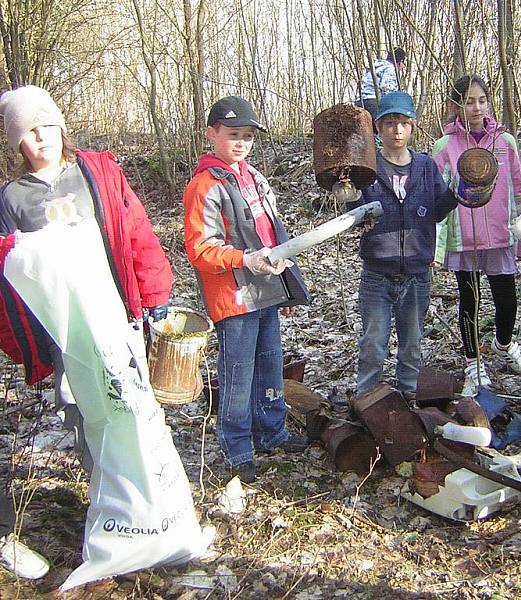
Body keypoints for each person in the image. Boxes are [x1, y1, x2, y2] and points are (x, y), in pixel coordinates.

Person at [0, 85, 174, 578]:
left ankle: (152, 500)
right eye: (29, 132)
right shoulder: (12, 200)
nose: (42, 137)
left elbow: (135, 231)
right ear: (17, 144)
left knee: (136, 410)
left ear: (61, 125)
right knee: (87, 419)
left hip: (119, 321)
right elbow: (12, 286)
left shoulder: (96, 173)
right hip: (66, 339)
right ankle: (115, 509)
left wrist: (155, 295)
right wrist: (26, 348)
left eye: (47, 125)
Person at [184, 96, 310, 485]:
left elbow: (277, 235)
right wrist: (244, 259)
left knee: (271, 362)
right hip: (233, 296)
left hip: (267, 289)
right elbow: (200, 248)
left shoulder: (255, 178)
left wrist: (287, 282)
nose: (240, 142)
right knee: (238, 373)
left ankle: (272, 432)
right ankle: (238, 447)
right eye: (232, 134)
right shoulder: (204, 185)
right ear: (212, 134)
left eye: (248, 136)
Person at [341, 91, 456, 396]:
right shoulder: (367, 169)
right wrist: (348, 192)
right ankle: (367, 399)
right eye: (390, 123)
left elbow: (439, 208)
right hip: (377, 272)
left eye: (403, 123)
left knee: (412, 342)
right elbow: (352, 214)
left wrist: (461, 191)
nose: (397, 130)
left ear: (412, 126)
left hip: (417, 272)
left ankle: (407, 397)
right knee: (373, 342)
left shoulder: (425, 166)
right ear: (378, 127)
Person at [432, 74, 521, 396]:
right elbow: (438, 195)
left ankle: (504, 343)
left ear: (489, 103)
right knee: (469, 302)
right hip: (465, 238)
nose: (475, 107)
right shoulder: (445, 146)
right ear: (456, 105)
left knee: (507, 300)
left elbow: (517, 189)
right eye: (468, 101)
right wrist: (438, 244)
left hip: (501, 235)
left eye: (481, 100)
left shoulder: (505, 143)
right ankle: (473, 362)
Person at [355, 47, 406, 122]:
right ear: (400, 62)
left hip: (359, 101)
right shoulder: (390, 68)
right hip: (373, 102)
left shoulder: (375, 65)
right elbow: (387, 89)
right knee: (386, 128)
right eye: (403, 63)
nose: (403, 67)